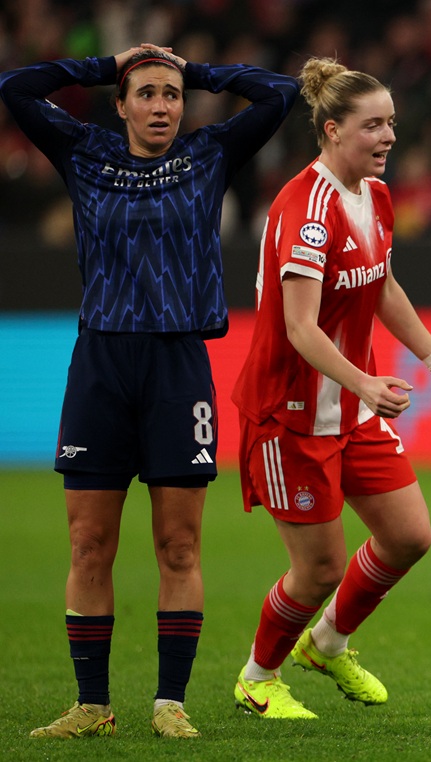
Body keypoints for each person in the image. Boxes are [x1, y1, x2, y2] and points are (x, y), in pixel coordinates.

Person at [0, 45, 298, 738]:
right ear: (122, 104)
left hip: (178, 366)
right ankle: (90, 704)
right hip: (100, 364)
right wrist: (107, 62)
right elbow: (16, 87)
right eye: (147, 94)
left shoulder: (208, 154)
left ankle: (170, 702)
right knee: (87, 543)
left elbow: (280, 93)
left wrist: (199, 71)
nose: (162, 106)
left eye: (171, 94)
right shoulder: (83, 152)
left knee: (179, 546)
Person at [230, 56, 431, 719]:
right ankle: (258, 678)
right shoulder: (304, 209)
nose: (389, 138)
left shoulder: (375, 197)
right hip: (289, 412)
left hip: (349, 404)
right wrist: (367, 383)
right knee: (318, 568)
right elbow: (298, 327)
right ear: (329, 130)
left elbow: (383, 287)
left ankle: (327, 643)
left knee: (409, 536)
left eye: (392, 124)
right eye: (373, 125)